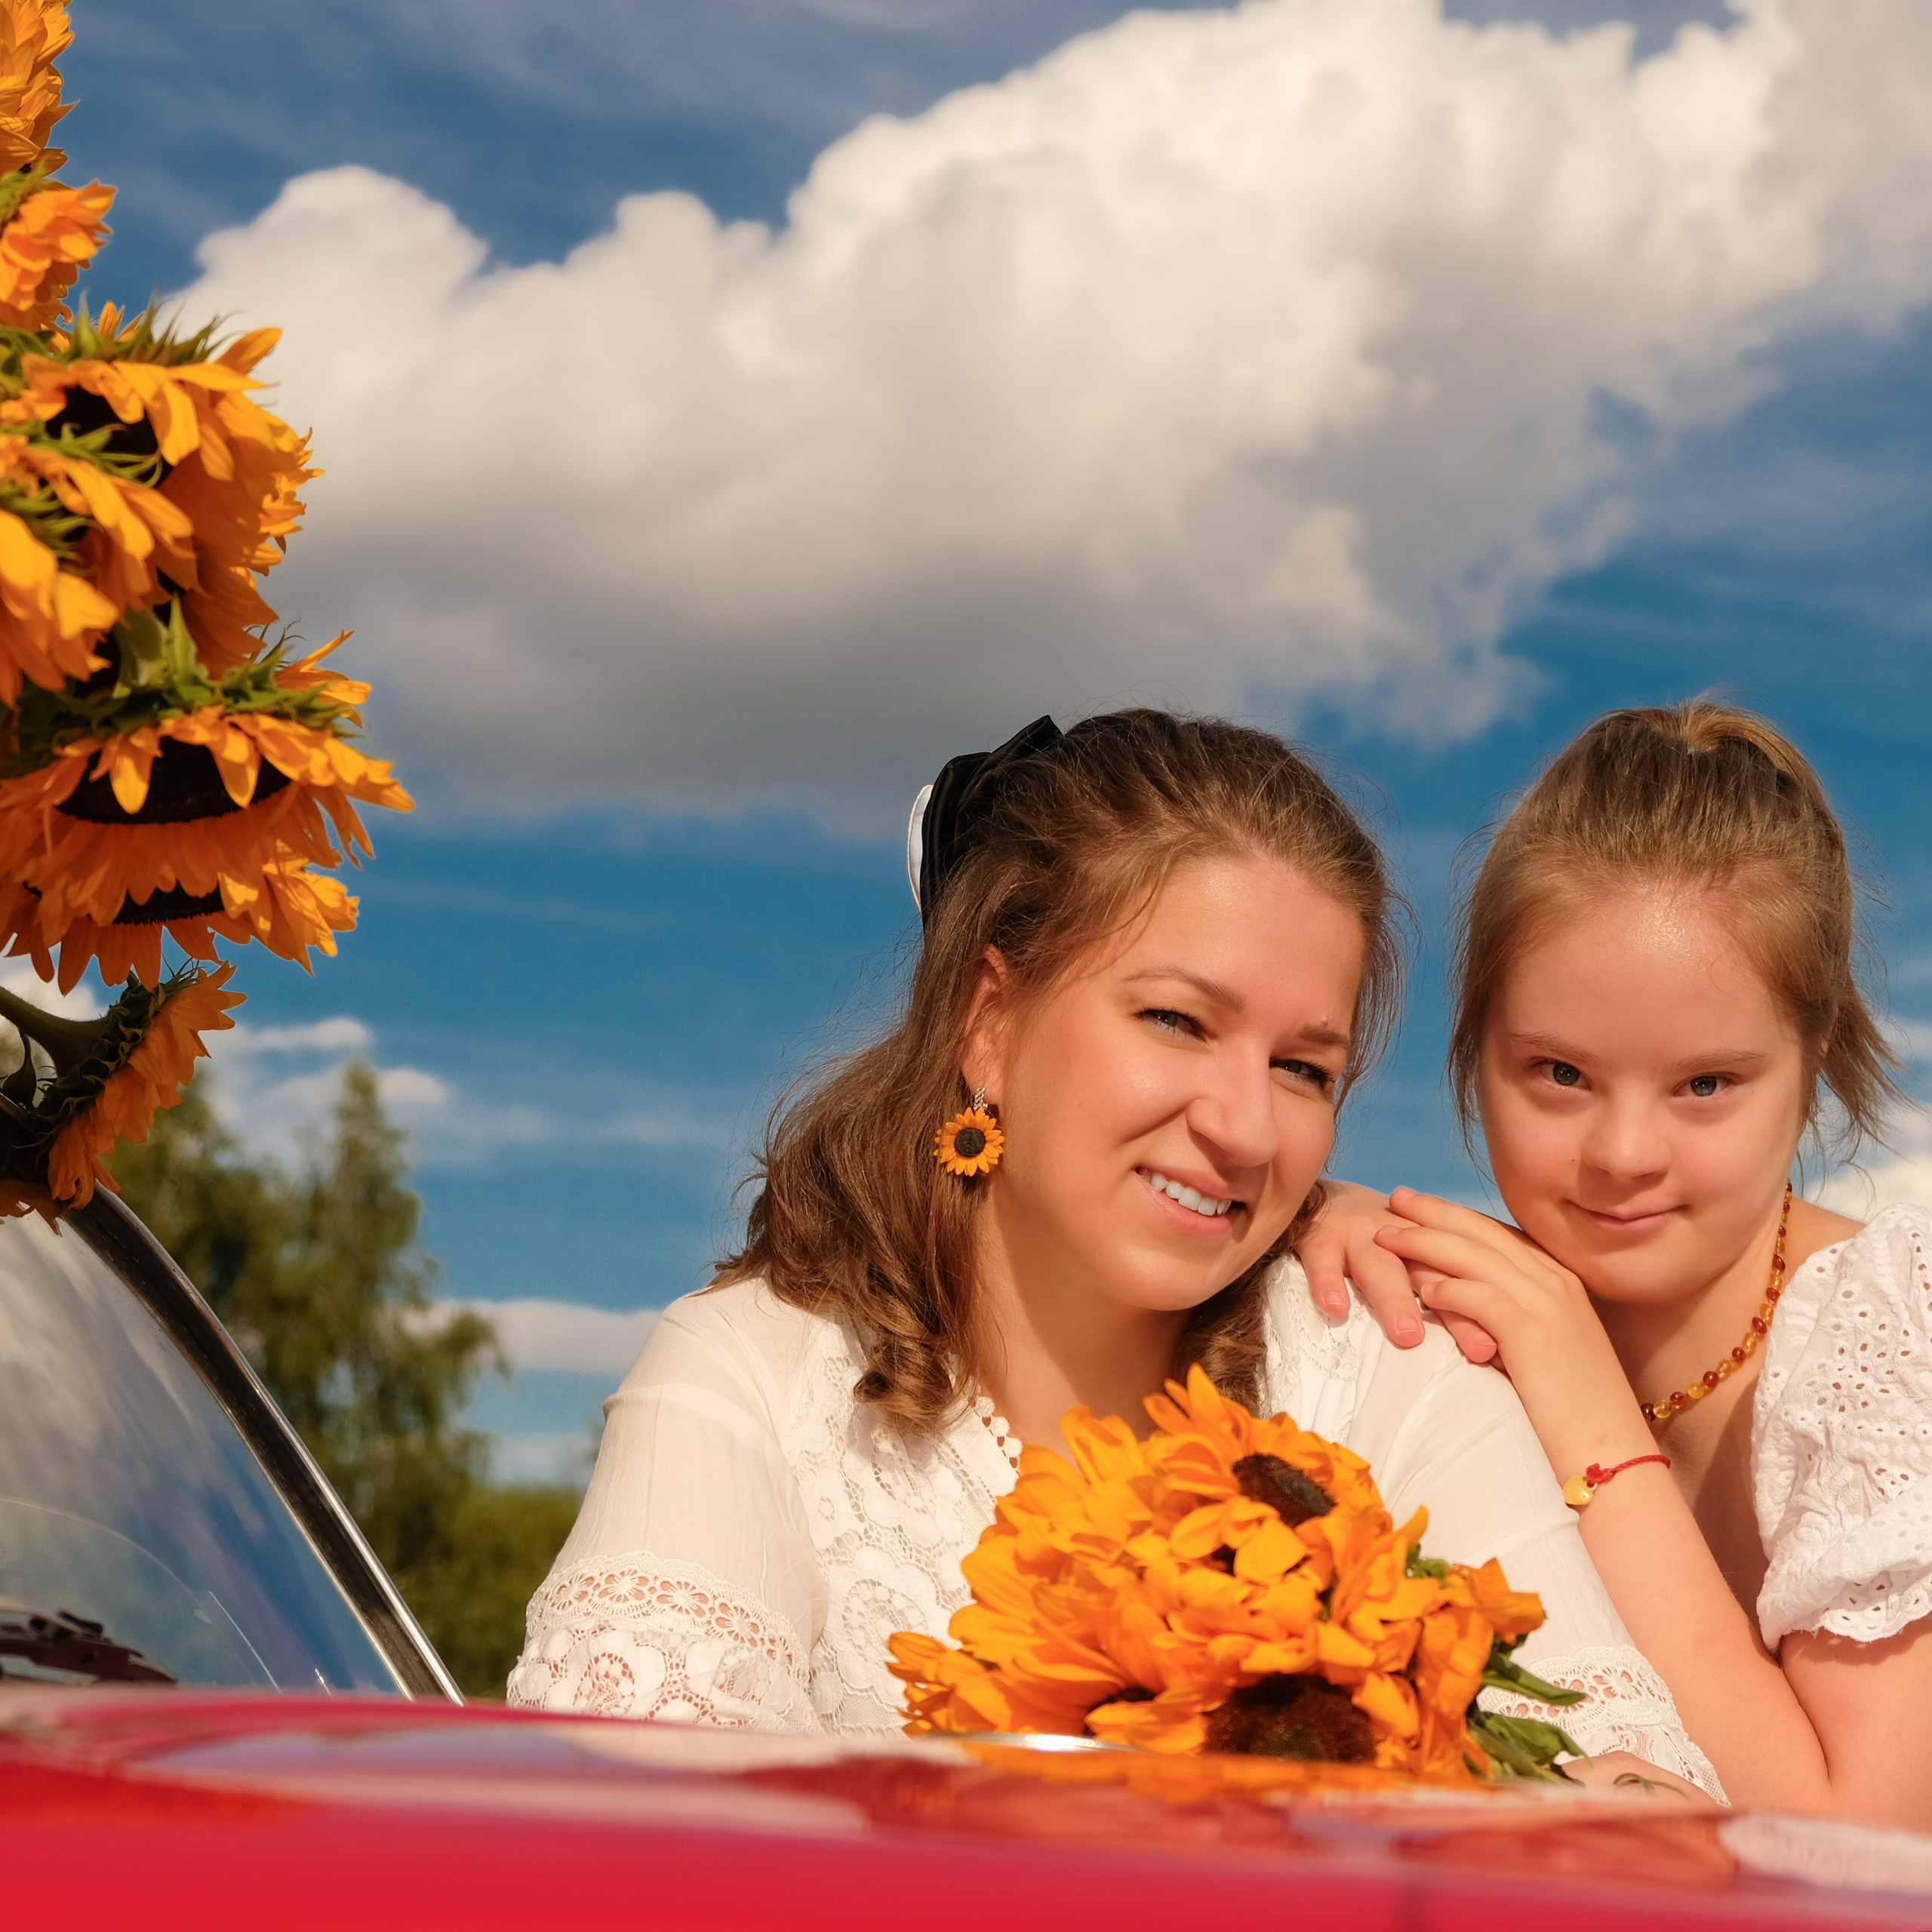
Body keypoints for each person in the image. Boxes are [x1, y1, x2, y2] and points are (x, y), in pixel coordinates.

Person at [506, 709, 1715, 1793]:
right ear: (989, 1021)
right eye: (1177, 1021)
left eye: (1305, 1069)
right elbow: (638, 1838)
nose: (1246, 1128)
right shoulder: (749, 1379)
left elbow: (1629, 1821)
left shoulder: (1387, 1367)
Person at [1302, 700, 1932, 1827]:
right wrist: (1319, 1211)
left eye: (1706, 1085)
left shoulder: (1889, 1326)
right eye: (1559, 1073)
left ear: (1817, 1051)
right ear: (1474, 1045)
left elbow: (1859, 1843)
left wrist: (1588, 1407)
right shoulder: (1474, 1300)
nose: (1624, 1155)